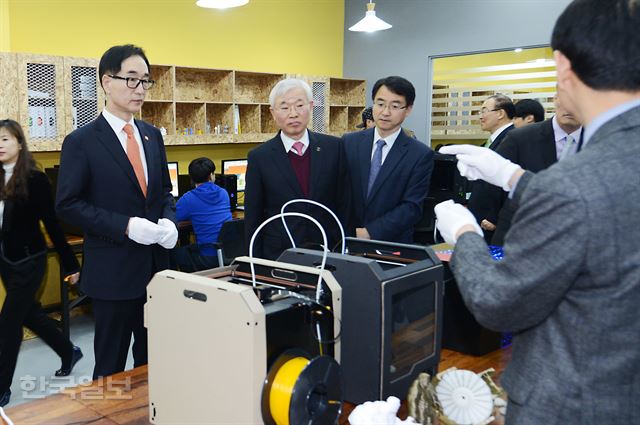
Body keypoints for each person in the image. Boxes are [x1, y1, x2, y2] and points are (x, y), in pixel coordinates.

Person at [435, 0, 640, 422]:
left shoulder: (574, 183)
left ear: (564, 66)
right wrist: (513, 178)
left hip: (569, 403)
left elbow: (497, 302)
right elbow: (606, 210)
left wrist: (465, 235)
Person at [56, 44, 178, 379]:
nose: (140, 89)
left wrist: (169, 220)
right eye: (131, 80)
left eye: (145, 81)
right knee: (110, 368)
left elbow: (164, 192)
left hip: (156, 270)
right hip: (113, 274)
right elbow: (67, 205)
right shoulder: (81, 141)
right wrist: (125, 226)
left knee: (153, 363)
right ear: (106, 81)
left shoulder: (152, 136)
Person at [0, 120, 82, 408]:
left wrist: (70, 264)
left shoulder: (35, 180)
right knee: (29, 314)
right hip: (6, 260)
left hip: (31, 260)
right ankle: (68, 351)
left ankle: (2, 386)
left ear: (20, 143)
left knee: (8, 321)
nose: (0, 144)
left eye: (5, 139)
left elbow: (53, 225)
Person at [244, 78, 348, 260]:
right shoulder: (260, 157)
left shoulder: (334, 148)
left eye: (300, 105)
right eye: (284, 107)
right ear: (273, 113)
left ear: (311, 106)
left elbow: (345, 203)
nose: (293, 114)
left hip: (328, 249)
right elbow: (253, 216)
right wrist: (255, 262)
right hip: (280, 253)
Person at [343, 76, 433, 243]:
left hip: (391, 245)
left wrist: (370, 232)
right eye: (380, 104)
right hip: (346, 240)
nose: (385, 112)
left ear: (408, 109)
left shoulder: (420, 154)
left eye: (395, 106)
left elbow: (411, 207)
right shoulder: (349, 142)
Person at [489, 95, 582, 245]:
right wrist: (492, 218)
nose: (570, 108)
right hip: (518, 234)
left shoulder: (600, 141)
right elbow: (494, 182)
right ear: (556, 99)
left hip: (574, 240)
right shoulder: (521, 138)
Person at [467, 93, 515, 242]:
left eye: (484, 111)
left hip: (492, 223)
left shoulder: (511, 139)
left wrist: (494, 217)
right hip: (482, 218)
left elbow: (507, 182)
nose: (481, 116)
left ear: (500, 113)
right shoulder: (494, 140)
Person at [172, 157, 232, 271]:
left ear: (192, 178)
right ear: (211, 176)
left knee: (174, 254)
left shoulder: (188, 199)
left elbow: (173, 218)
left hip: (208, 258)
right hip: (228, 254)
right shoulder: (224, 193)